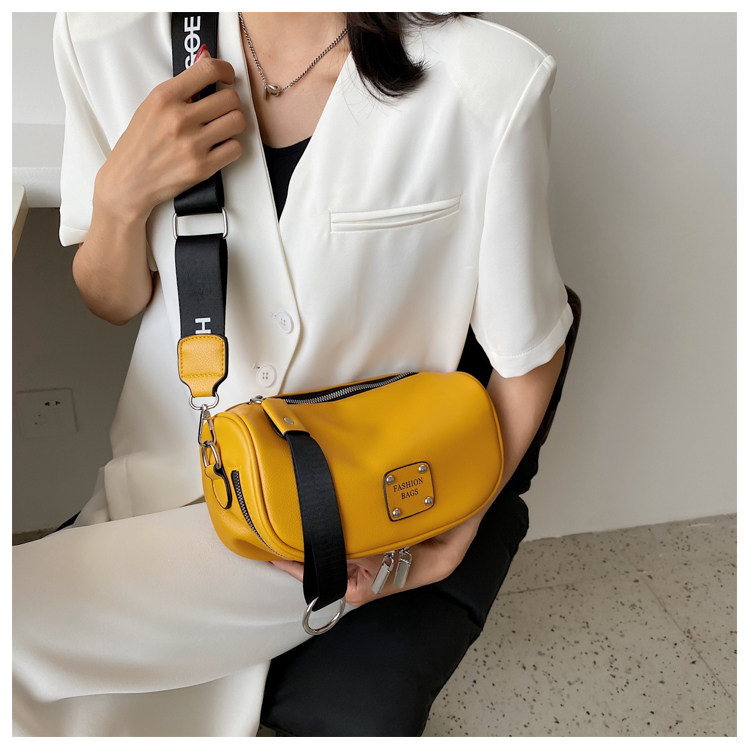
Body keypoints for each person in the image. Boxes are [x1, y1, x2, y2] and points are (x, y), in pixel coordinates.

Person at [13, 12, 572, 736]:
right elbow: (111, 300)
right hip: (152, 488)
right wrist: (120, 199)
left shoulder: (488, 80)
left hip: (335, 517)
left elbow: (530, 350)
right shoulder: (106, 36)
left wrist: (451, 535)